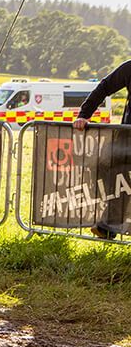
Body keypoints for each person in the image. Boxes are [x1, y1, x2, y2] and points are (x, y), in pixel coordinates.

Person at [73, 60, 131, 239]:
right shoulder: (130, 68)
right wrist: (84, 115)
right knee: (105, 165)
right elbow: (104, 86)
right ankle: (112, 223)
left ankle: (111, 224)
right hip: (126, 137)